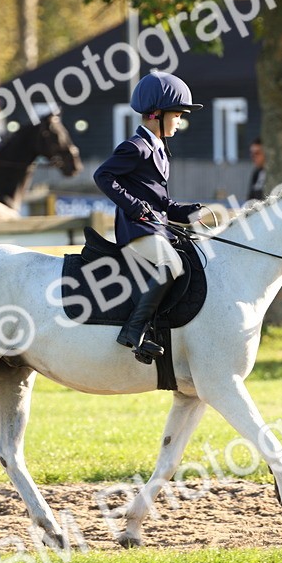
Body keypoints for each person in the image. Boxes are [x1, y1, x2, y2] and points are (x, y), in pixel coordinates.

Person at [94, 71, 206, 363]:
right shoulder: (135, 147)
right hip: (136, 230)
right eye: (177, 115)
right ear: (156, 114)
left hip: (155, 228)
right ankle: (134, 331)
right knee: (172, 264)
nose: (180, 121)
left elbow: (162, 201)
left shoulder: (160, 150)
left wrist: (190, 210)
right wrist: (133, 206)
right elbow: (102, 175)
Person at [246, 137, 266, 201]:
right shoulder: (256, 173)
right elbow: (250, 199)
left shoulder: (273, 174)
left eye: (257, 153)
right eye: (252, 154)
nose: (253, 157)